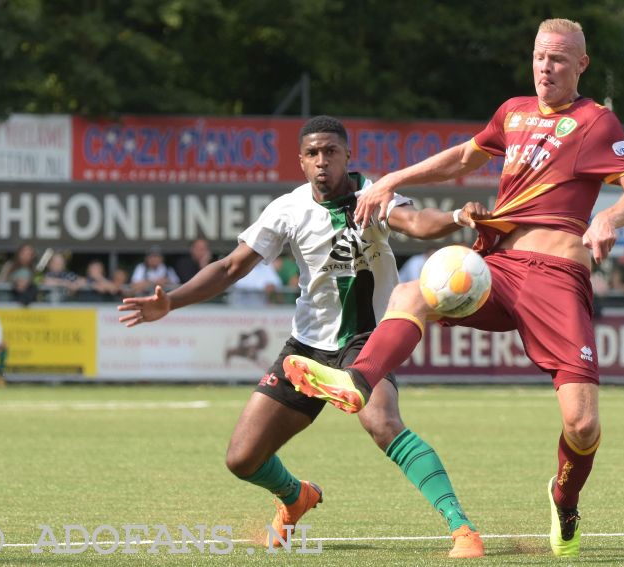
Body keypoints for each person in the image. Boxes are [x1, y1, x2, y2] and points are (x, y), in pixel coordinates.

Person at [280, 19, 624, 559]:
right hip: (496, 267)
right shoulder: (513, 111)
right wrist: (391, 181)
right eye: (539, 57)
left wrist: (609, 220)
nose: (545, 67)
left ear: (581, 65)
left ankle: (564, 496)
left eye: (557, 58)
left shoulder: (596, 122)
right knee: (413, 292)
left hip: (556, 280)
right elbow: (462, 158)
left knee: (583, 424)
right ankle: (358, 381)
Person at [118, 116, 489, 558]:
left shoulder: (374, 195)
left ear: (347, 156)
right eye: (312, 154)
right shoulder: (287, 210)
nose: (321, 162)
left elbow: (416, 222)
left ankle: (462, 529)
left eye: (330, 152)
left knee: (382, 422)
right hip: (306, 350)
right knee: (242, 459)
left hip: (366, 341)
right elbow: (230, 267)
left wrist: (456, 216)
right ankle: (296, 496)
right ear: (300, 161)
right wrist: (171, 303)